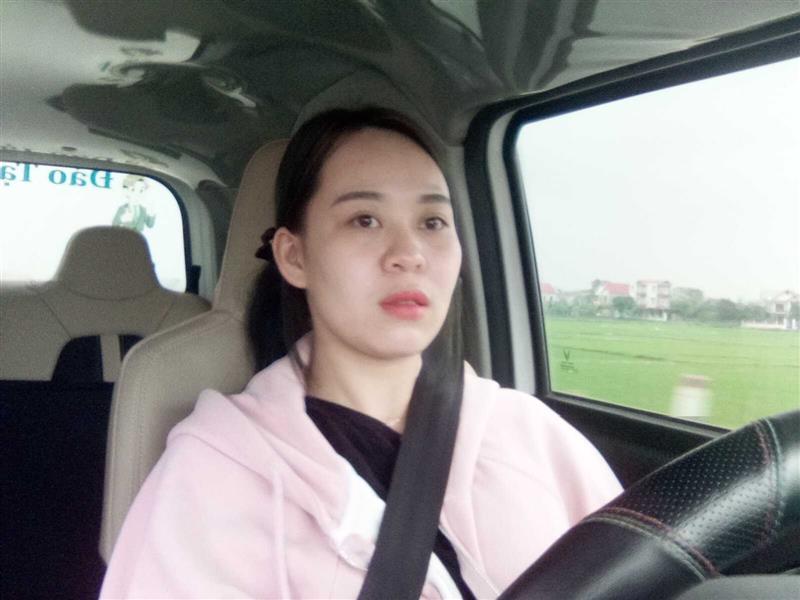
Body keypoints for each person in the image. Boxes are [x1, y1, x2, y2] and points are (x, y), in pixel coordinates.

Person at [100, 108, 622, 599]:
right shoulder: (214, 473)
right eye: (365, 220)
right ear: (294, 256)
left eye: (433, 222)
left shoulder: (533, 435)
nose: (409, 255)